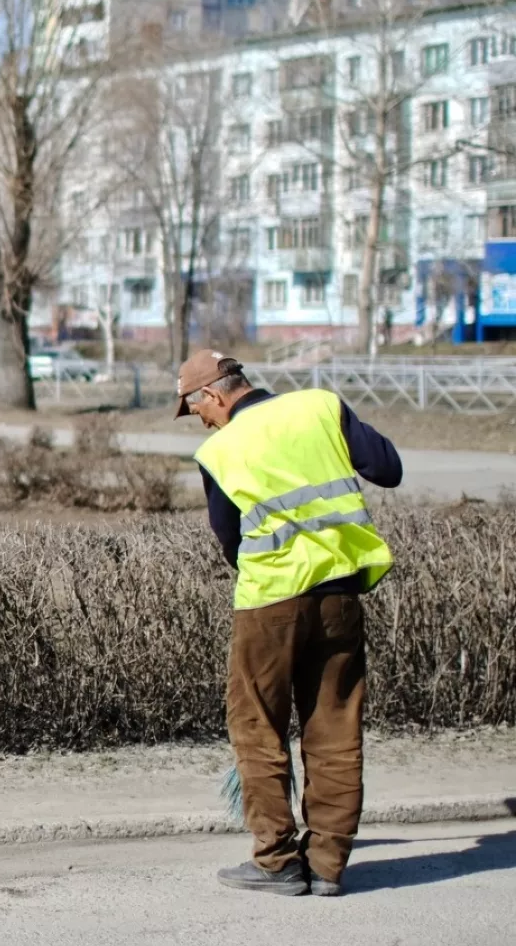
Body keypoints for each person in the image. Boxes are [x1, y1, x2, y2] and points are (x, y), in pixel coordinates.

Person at [175, 350, 401, 898]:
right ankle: (327, 864)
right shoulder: (320, 406)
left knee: (257, 728)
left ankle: (275, 861)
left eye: (193, 409)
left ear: (213, 395)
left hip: (269, 604)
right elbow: (387, 469)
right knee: (335, 729)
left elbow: (230, 541)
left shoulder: (220, 450)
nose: (199, 422)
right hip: (340, 593)